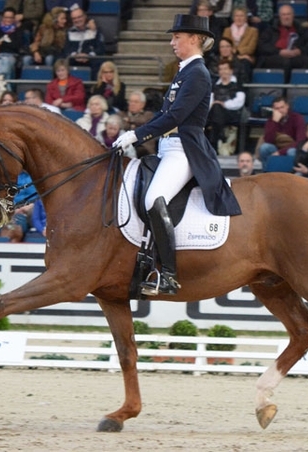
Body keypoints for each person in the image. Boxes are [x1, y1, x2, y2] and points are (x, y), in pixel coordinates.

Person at [112, 14, 241, 296]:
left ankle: (168, 273)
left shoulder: (198, 73)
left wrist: (138, 135)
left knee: (152, 198)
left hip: (184, 149)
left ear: (194, 39)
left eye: (176, 37)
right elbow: (163, 113)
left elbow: (177, 117)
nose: (172, 43)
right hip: (167, 147)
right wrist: (135, 132)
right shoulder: (184, 71)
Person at [256, 4, 308, 82]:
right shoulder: (270, 30)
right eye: (283, 15)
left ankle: (306, 88)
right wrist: (279, 51)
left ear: (293, 15)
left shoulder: (301, 29)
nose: (286, 17)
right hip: (274, 56)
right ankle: (284, 88)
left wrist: (300, 51)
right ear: (280, 16)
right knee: (285, 62)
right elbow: (262, 46)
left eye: (288, 14)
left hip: (295, 56)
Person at [206, 58, 246, 153]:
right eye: (221, 69)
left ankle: (215, 140)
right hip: (215, 113)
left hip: (231, 113)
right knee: (215, 108)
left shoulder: (237, 84)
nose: (223, 71)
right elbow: (209, 102)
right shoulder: (214, 85)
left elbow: (239, 101)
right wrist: (214, 105)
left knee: (217, 108)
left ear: (231, 70)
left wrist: (224, 104)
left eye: (225, 68)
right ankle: (220, 135)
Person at [258, 96, 306, 166]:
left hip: (292, 147)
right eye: (277, 108)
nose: (280, 110)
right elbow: (268, 140)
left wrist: (280, 152)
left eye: (282, 107)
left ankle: (292, 174)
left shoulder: (297, 118)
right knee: (264, 148)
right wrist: (275, 122)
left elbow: (300, 141)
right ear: (273, 110)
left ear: (287, 106)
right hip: (276, 147)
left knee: (292, 151)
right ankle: (267, 172)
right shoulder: (271, 121)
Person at [62, 6, 106, 79]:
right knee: (61, 62)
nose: (77, 20)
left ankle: (92, 88)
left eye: (79, 17)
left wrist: (88, 55)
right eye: (74, 18)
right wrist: (75, 55)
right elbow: (66, 49)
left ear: (85, 16)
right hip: (74, 59)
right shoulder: (69, 32)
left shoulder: (94, 30)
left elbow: (100, 48)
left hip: (90, 59)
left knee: (99, 63)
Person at [119, 90, 156, 157]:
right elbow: (121, 125)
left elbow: (143, 120)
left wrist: (129, 120)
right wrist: (135, 124)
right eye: (131, 101)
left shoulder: (149, 115)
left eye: (136, 102)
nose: (132, 104)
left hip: (144, 148)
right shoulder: (121, 114)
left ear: (143, 104)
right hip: (125, 147)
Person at [0, 7, 25, 72]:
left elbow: (16, 46)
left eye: (10, 18)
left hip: (12, 55)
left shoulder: (18, 31)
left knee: (7, 63)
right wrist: (8, 43)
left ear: (14, 18)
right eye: (6, 17)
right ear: (3, 18)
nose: (8, 20)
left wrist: (2, 43)